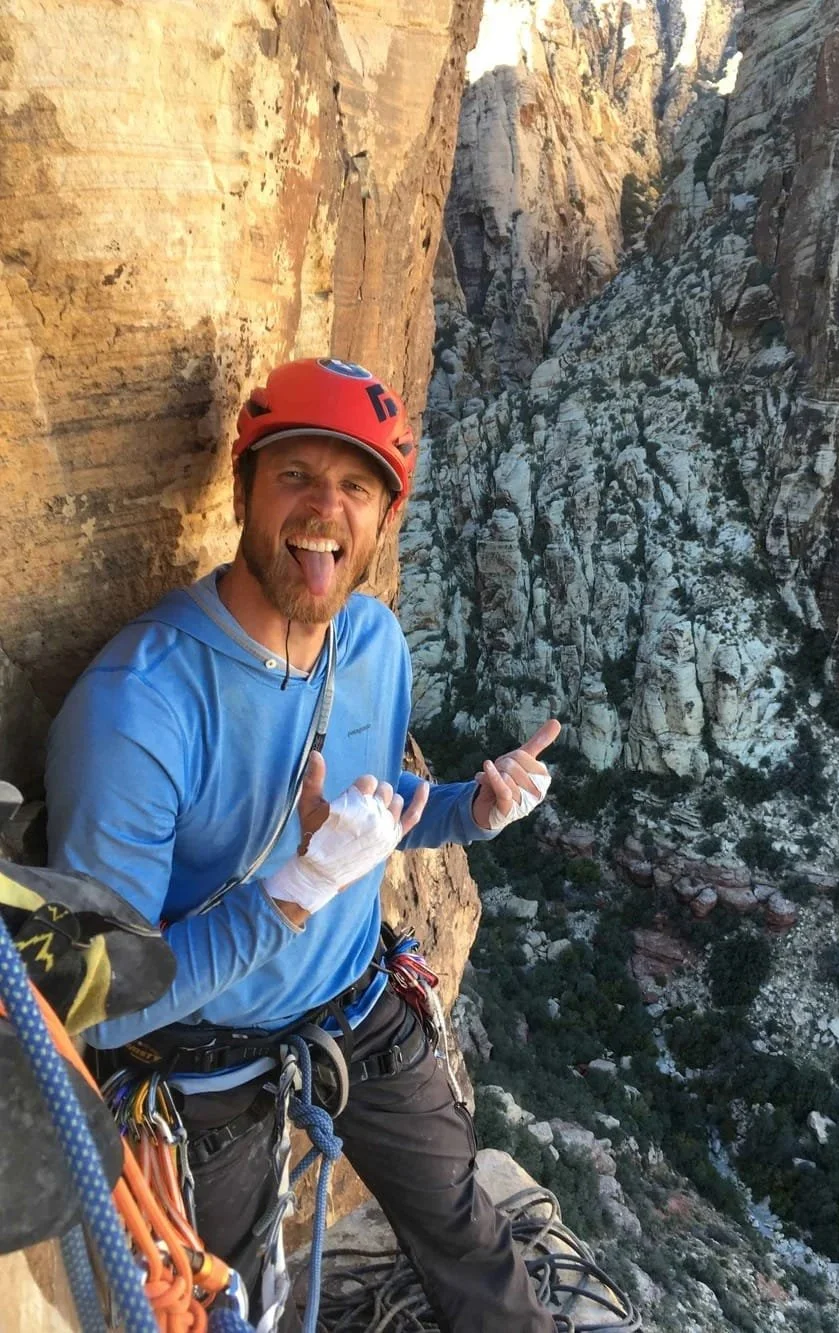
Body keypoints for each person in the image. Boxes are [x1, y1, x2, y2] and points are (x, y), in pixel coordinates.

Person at [45, 356, 560, 1331]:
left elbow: (385, 802)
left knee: (465, 1227)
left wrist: (468, 809)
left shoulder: (370, 644)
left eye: (356, 486)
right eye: (296, 475)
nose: (327, 507)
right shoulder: (139, 705)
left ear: (381, 520)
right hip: (205, 1067)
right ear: (242, 490)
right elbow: (98, 1000)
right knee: (231, 1304)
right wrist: (296, 888)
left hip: (356, 1003)